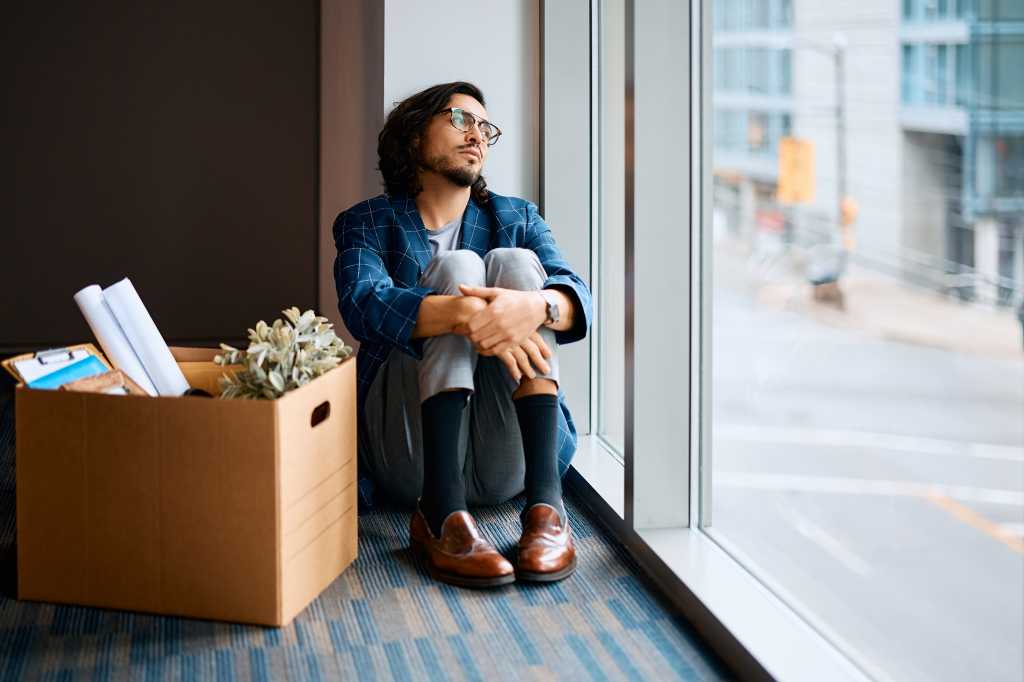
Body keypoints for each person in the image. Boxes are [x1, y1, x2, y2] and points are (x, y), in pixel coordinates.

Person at [333, 82, 592, 588]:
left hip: (507, 457)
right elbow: (362, 307)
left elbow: (576, 295)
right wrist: (462, 314)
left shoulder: (516, 215)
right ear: (413, 137)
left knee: (518, 264)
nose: (477, 134)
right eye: (460, 120)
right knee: (456, 269)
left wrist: (530, 306)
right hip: (409, 453)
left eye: (485, 127)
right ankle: (440, 513)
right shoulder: (366, 222)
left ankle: (546, 509)